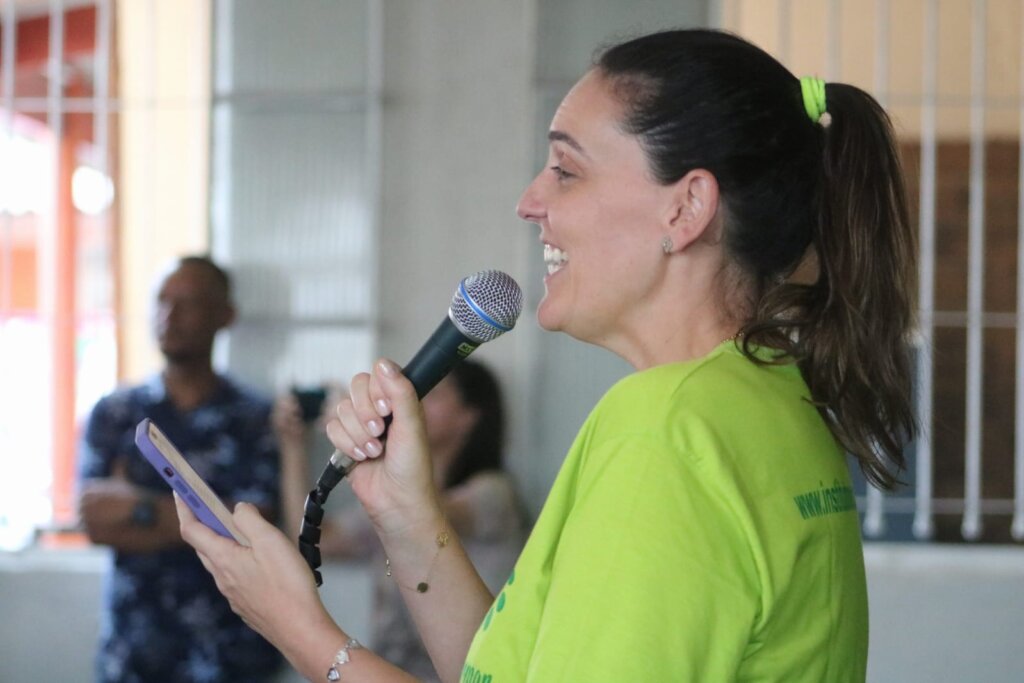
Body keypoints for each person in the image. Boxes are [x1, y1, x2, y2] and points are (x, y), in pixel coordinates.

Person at [174, 28, 916, 682]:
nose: (531, 201)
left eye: (566, 169)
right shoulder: (768, 393)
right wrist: (403, 510)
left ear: (685, 208)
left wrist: (304, 635)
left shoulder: (666, 431)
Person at [77, 255, 282, 683]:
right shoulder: (116, 413)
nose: (169, 316)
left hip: (231, 657)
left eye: (188, 303)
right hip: (135, 656)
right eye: (162, 301)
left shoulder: (256, 418)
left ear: (224, 315)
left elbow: (256, 528)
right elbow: (94, 519)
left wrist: (139, 508)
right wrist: (211, 517)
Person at [273, 361, 525, 681]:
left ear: (469, 417)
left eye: (434, 394)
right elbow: (314, 537)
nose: (414, 401)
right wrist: (294, 446)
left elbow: (421, 516)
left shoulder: (494, 494)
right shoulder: (389, 498)